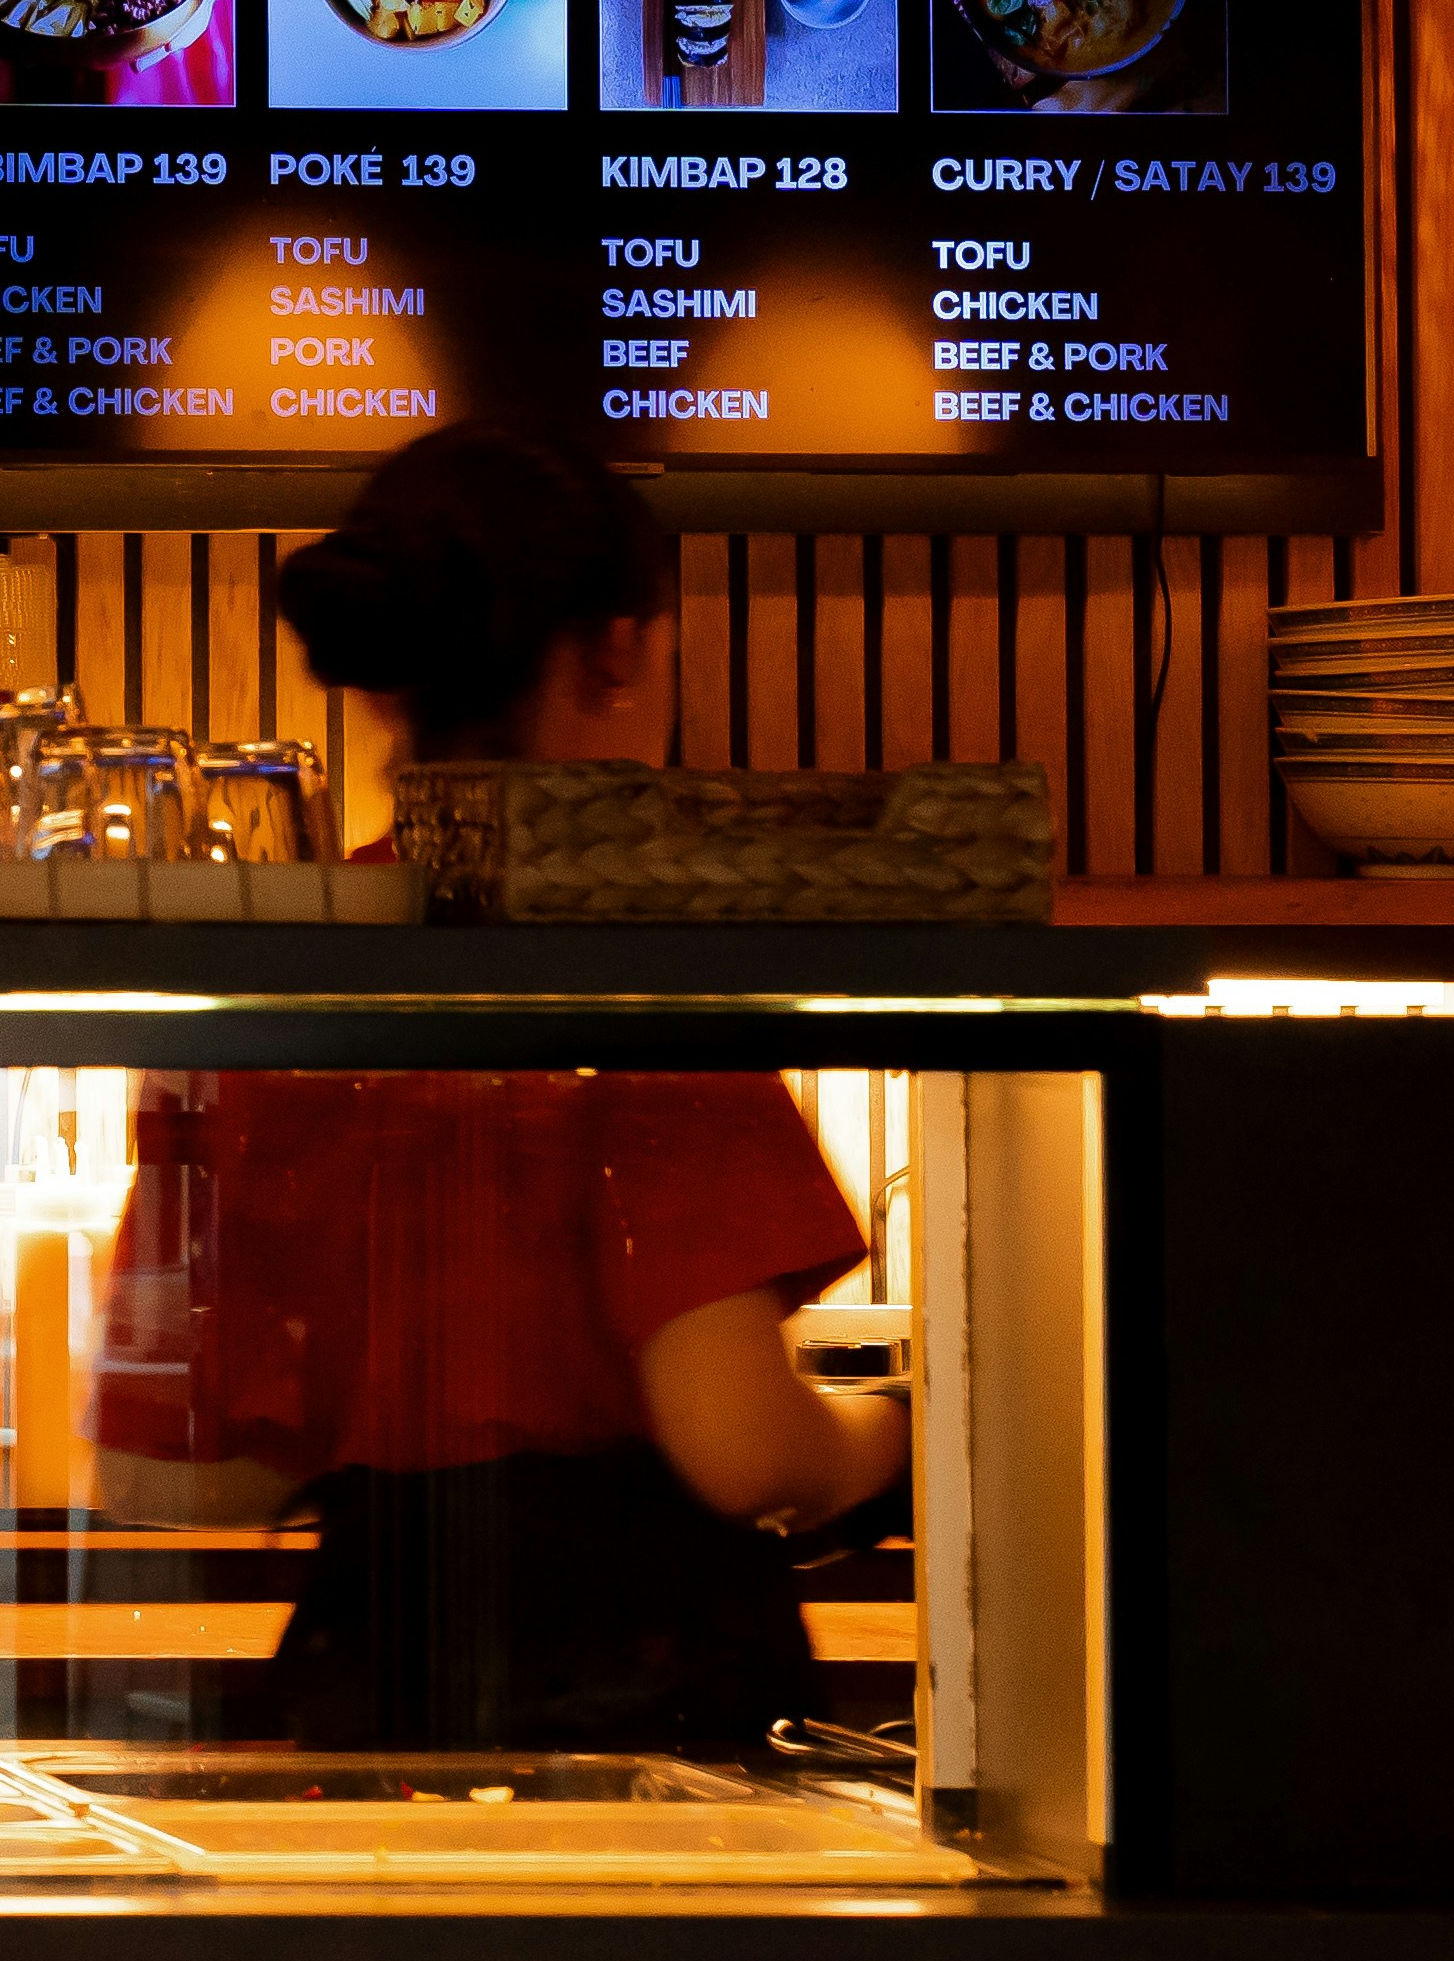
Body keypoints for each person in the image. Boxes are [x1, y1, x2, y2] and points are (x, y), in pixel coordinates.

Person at [86, 417, 906, 1756]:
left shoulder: (284, 966)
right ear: (624, 645)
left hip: (375, 1689)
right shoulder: (629, 964)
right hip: (648, 1707)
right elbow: (743, 1447)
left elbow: (174, 1467)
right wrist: (890, 1442)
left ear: (387, 677)